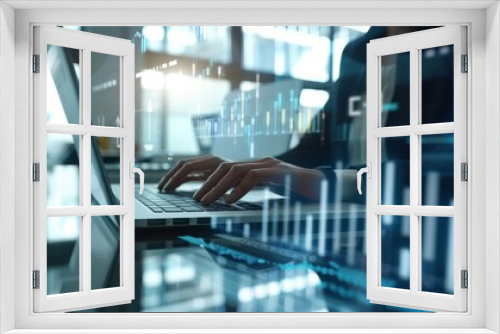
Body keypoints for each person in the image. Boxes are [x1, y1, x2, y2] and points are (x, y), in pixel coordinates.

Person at [157, 26, 453, 205]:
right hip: (343, 228)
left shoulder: (458, 48)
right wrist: (249, 169)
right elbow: (316, 147)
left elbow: (447, 169)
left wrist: (332, 181)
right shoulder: (356, 51)